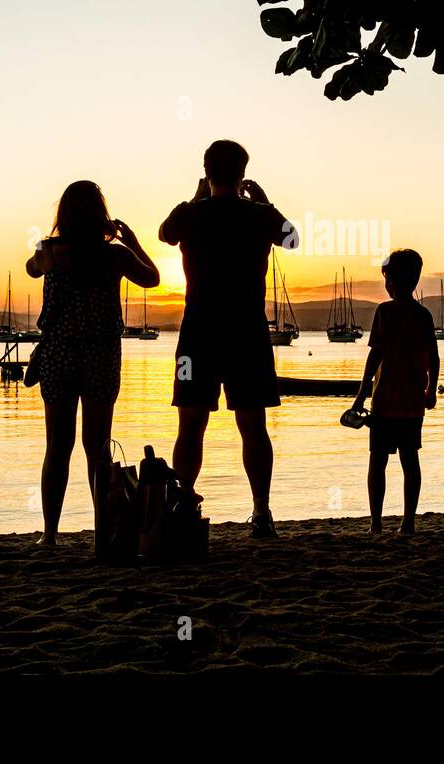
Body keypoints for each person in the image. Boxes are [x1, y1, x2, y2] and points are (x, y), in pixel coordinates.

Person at [159, 140, 295, 538]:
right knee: (254, 424)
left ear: (206, 170)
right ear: (243, 172)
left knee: (191, 423)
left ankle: (185, 498)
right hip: (248, 330)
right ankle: (262, 510)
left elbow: (166, 233)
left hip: (199, 329)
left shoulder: (191, 213)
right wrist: (267, 203)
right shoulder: (259, 215)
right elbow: (292, 239)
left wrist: (194, 197)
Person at [27, 180, 159, 553]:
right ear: (101, 213)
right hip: (101, 354)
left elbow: (30, 269)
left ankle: (50, 533)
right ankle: (103, 533)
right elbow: (152, 278)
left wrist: (47, 252)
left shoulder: (50, 251)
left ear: (63, 214)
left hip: (59, 353)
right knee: (97, 448)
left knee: (57, 446)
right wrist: (131, 241)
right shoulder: (115, 255)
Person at [351, 249, 440, 534]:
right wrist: (431, 390)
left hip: (384, 401)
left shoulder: (385, 312)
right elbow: (435, 356)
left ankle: (376, 522)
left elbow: (375, 356)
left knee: (378, 462)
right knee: (410, 460)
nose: (385, 284)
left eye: (386, 278)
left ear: (391, 279)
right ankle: (408, 522)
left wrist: (361, 394)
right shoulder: (423, 315)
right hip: (413, 402)